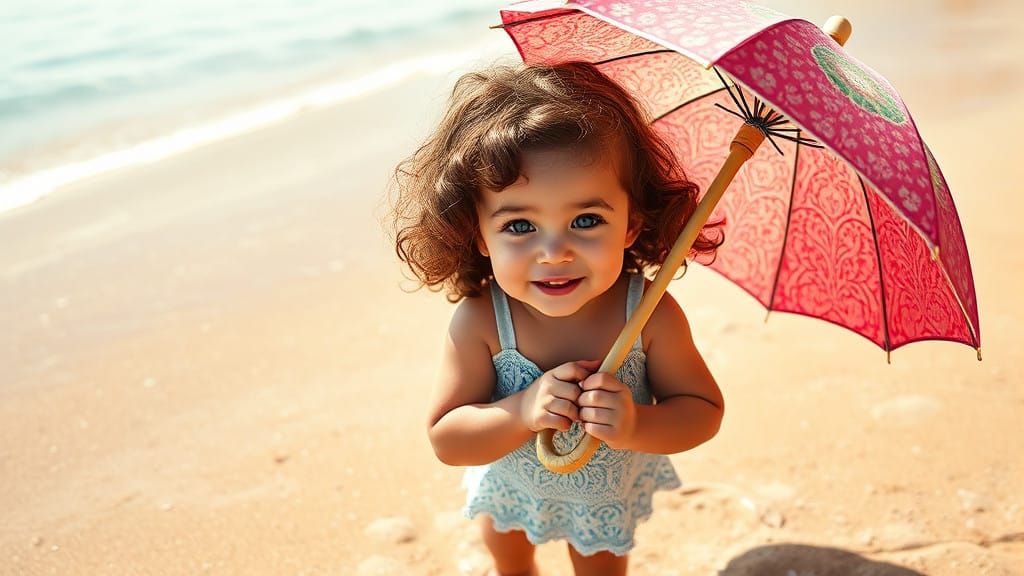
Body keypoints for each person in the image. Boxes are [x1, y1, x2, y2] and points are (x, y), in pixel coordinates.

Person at [385, 60, 725, 576]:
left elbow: (702, 411)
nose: (554, 251)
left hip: (601, 500)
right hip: (511, 491)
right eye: (520, 224)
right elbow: (447, 439)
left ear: (631, 224)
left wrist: (635, 422)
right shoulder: (482, 320)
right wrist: (522, 410)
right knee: (510, 559)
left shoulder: (649, 313)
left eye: (586, 220)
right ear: (478, 234)